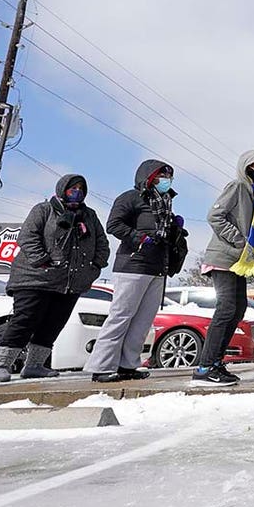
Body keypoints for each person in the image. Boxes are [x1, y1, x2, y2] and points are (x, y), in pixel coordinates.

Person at [0, 174, 109, 383]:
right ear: (62, 189)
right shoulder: (44, 209)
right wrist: (42, 260)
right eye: (72, 188)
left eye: (80, 188)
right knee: (25, 319)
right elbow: (27, 236)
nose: (77, 192)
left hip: (70, 282)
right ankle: (0, 364)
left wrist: (94, 267)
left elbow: (102, 244)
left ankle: (35, 365)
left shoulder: (89, 215)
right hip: (35, 279)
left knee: (54, 323)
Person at [84, 160, 188, 383]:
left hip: (158, 266)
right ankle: (101, 366)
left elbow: (163, 232)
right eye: (162, 175)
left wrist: (176, 231)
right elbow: (113, 224)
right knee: (121, 316)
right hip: (133, 264)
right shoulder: (130, 197)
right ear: (149, 176)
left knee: (143, 320)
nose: (166, 180)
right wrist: (139, 238)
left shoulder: (166, 202)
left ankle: (128, 364)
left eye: (169, 176)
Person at [191, 150, 254, 387]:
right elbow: (215, 215)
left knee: (238, 310)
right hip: (224, 257)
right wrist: (240, 240)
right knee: (227, 308)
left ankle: (216, 362)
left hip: (239, 262)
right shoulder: (239, 186)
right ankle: (205, 366)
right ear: (247, 167)